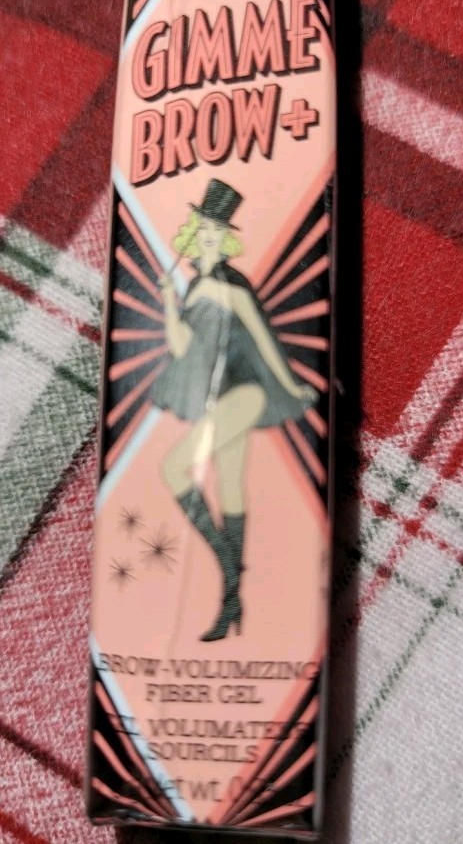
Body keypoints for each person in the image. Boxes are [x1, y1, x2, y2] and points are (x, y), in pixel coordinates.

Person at [151, 179, 317, 641]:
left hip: (245, 394)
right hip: (221, 396)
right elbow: (180, 347)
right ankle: (231, 603)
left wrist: (293, 385)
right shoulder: (194, 286)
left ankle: (227, 565)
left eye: (217, 229)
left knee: (173, 468)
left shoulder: (232, 286)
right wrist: (169, 303)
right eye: (203, 226)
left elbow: (266, 338)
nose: (209, 234)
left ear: (226, 238)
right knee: (229, 488)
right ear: (194, 231)